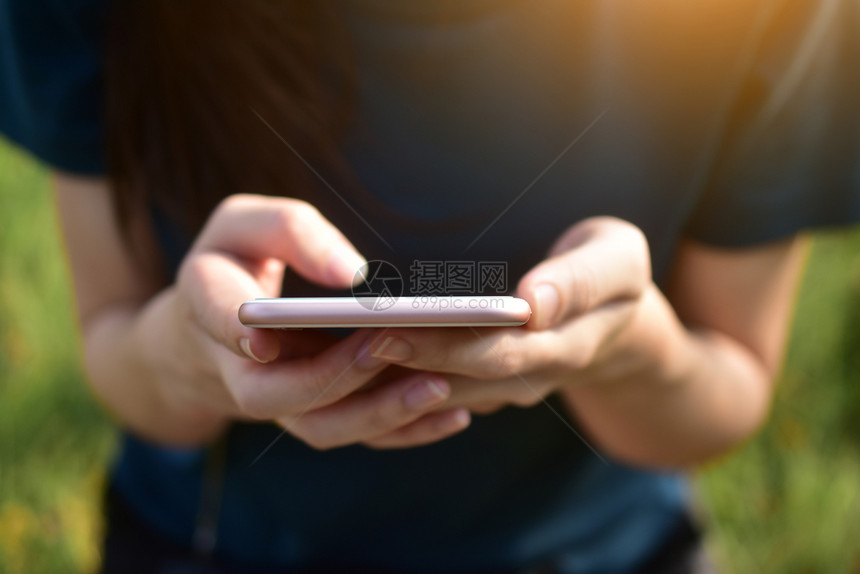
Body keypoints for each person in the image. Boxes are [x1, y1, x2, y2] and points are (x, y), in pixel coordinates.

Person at [2, 0, 859, 572]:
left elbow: (731, 380)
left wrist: (630, 352)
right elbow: (115, 344)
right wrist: (189, 356)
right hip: (213, 546)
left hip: (598, 552)